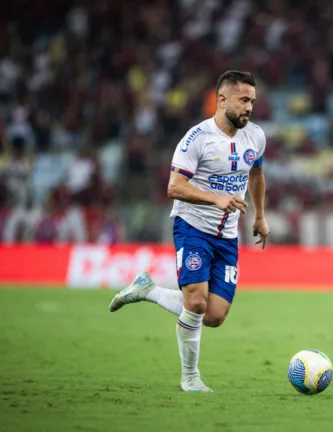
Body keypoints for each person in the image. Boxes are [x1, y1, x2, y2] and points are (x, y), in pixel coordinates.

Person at [108, 71, 270, 393]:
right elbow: (174, 187)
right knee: (195, 303)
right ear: (222, 100)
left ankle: (149, 290)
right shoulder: (196, 139)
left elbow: (256, 174)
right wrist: (216, 198)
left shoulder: (256, 137)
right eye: (243, 100)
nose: (249, 107)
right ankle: (190, 378)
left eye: (252, 101)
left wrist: (260, 216)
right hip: (193, 227)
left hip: (227, 237)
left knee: (214, 315)